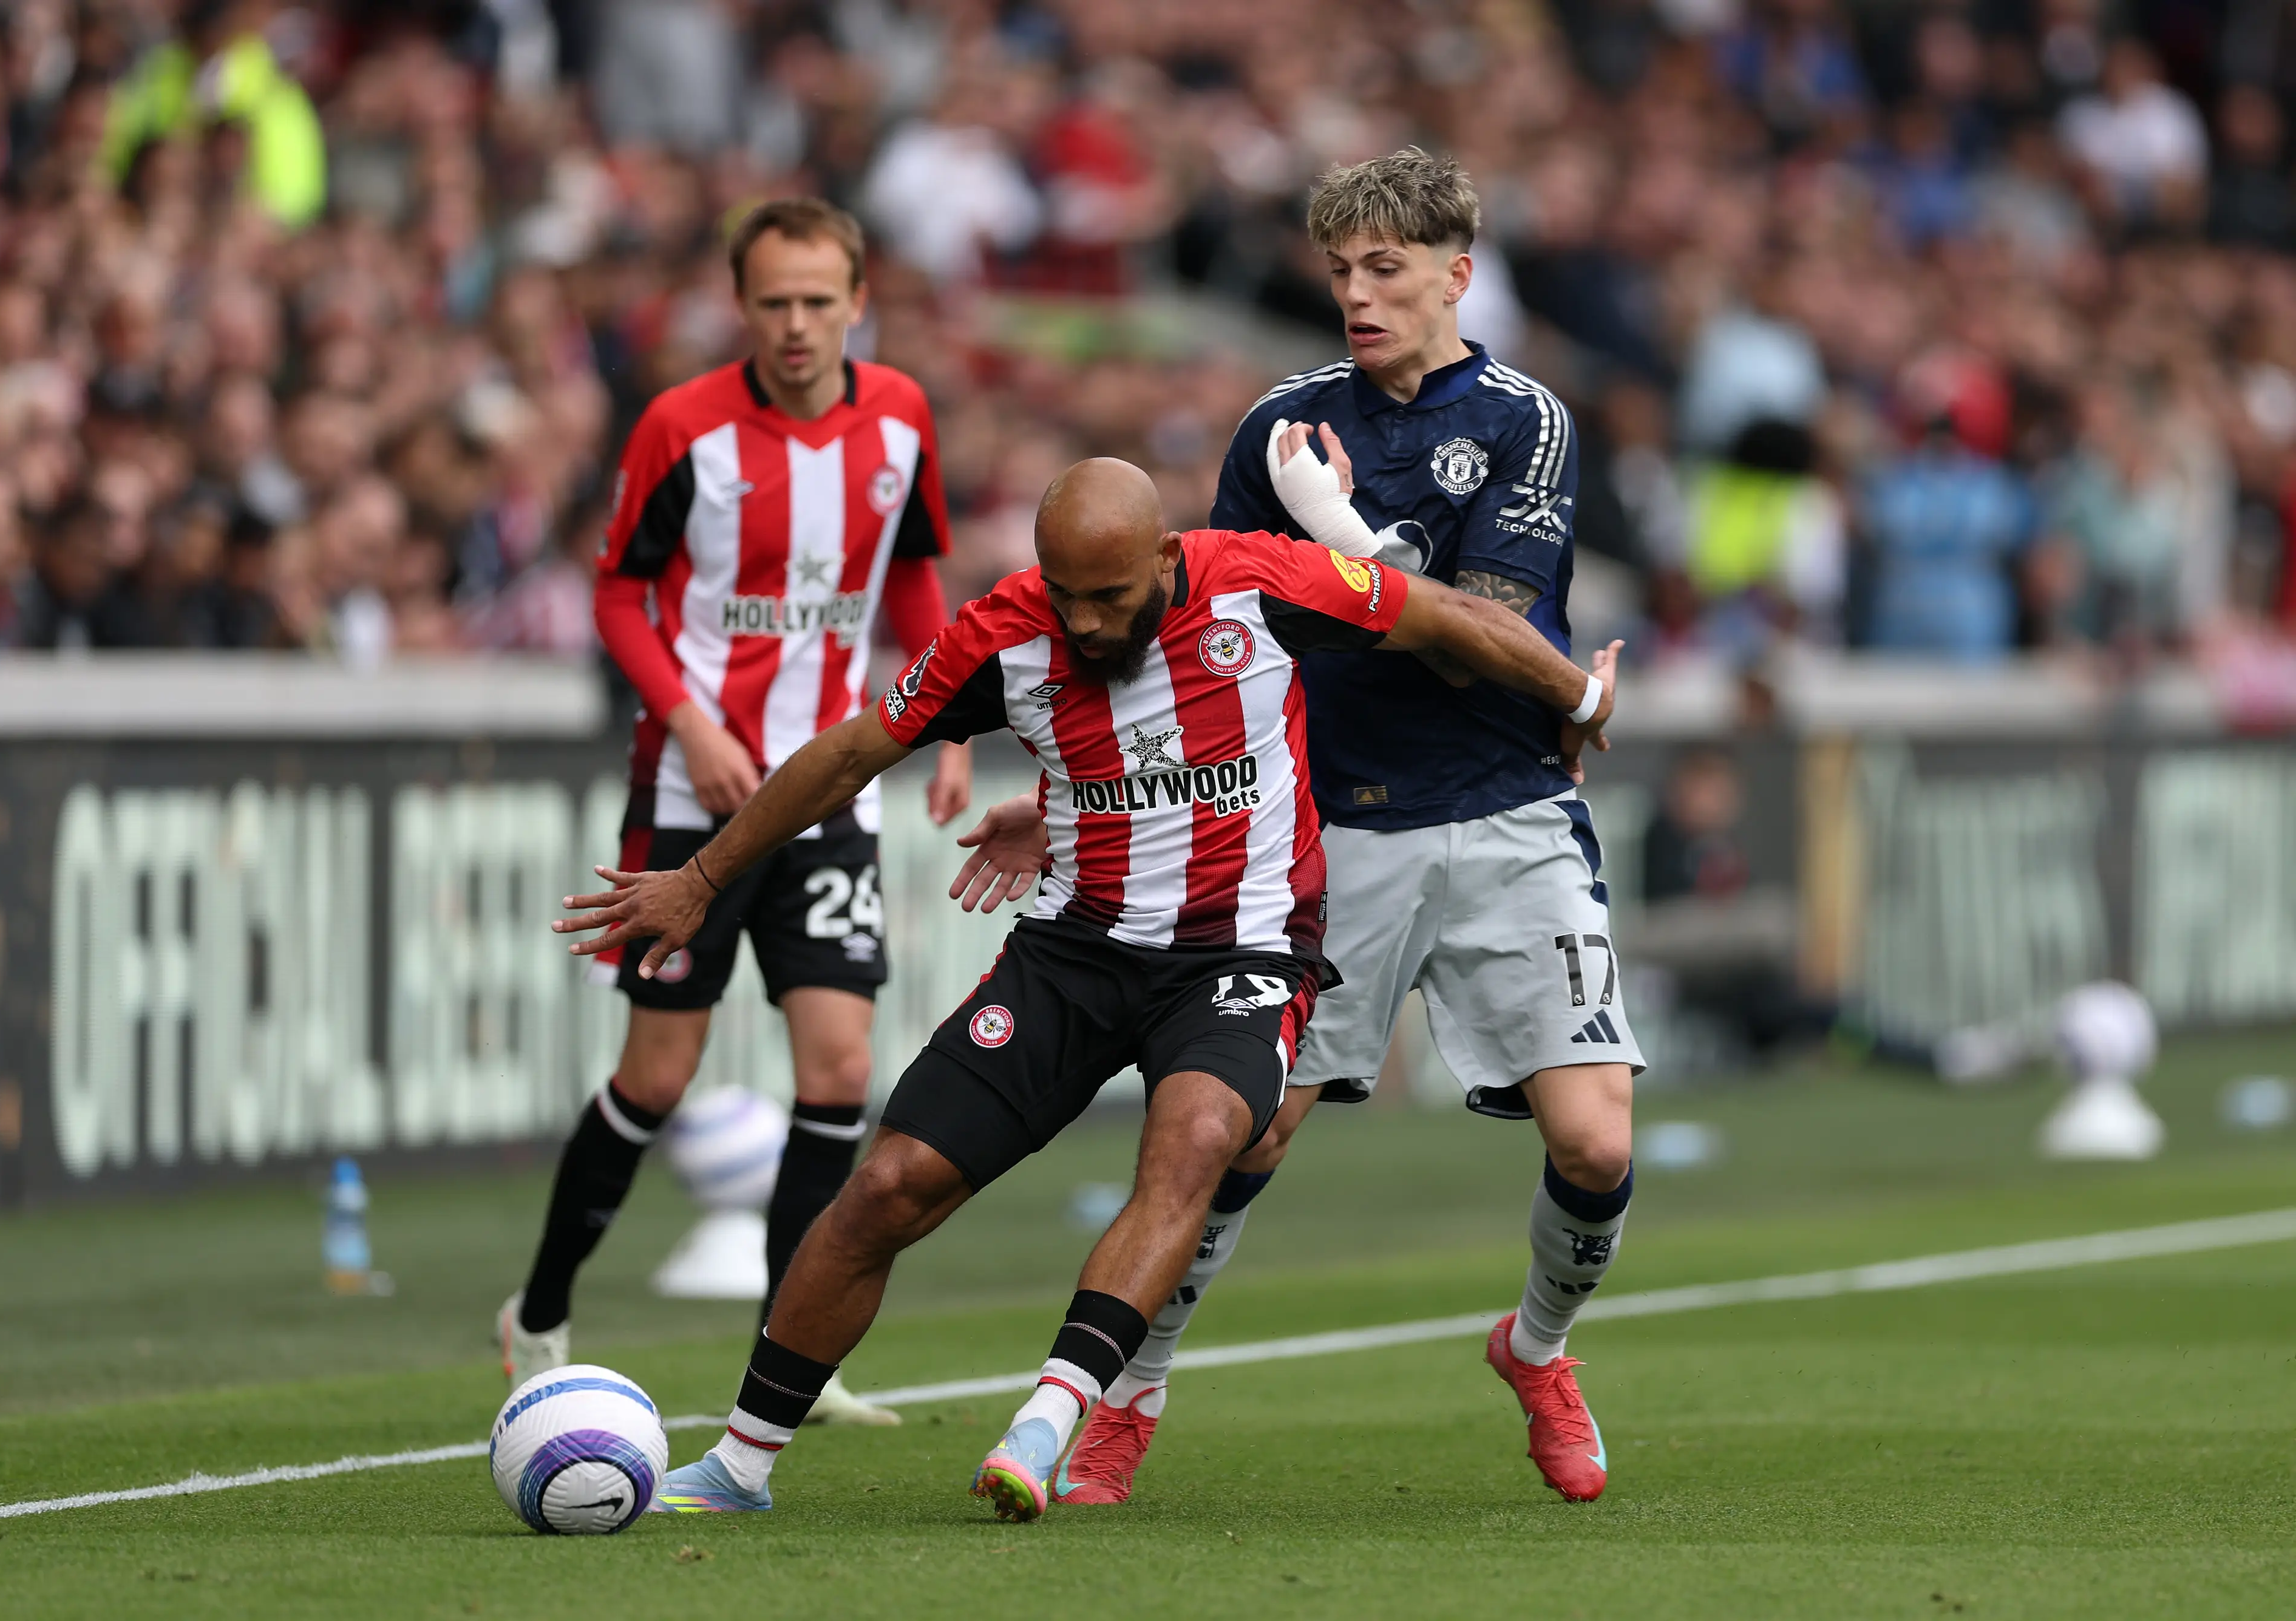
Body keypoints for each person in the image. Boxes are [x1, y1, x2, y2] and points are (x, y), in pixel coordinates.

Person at [554, 456, 1620, 1519]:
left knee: (1199, 1139)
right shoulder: (1002, 633)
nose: (1088, 624)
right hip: (1075, 950)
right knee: (888, 1186)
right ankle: (740, 1464)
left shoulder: (1262, 579)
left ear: (1164, 558)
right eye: (1067, 596)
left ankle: (1053, 1419)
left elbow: (1440, 616)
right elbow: (847, 755)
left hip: (1241, 953)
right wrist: (699, 879)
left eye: (1110, 597)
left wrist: (1577, 696)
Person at [957, 148, 1643, 1506]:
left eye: (1387, 269)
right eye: (1339, 271)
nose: (1358, 295)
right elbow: (1197, 635)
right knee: (1244, 1135)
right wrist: (1067, 790)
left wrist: (1352, 543)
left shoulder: (1525, 421)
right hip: (1328, 830)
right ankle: (1128, 1399)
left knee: (1597, 1145)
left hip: (1506, 810)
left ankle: (1539, 1349)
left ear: (1459, 272)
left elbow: (1474, 641)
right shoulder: (1280, 427)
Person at [497, 199, 972, 1427]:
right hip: (689, 795)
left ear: (858, 300)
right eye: (775, 303)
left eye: (820, 301)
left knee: (842, 1066)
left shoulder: (901, 417)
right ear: (741, 304)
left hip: (828, 785)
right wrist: (693, 721)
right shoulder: (683, 426)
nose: (799, 325)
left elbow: (912, 574)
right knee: (657, 1074)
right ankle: (539, 1307)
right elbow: (616, 597)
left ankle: (790, 1354)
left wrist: (951, 720)